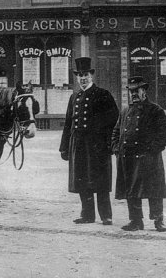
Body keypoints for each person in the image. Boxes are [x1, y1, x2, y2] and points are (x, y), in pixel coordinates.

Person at [59, 56, 119, 225]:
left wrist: (109, 144)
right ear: (77, 78)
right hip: (78, 145)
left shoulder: (103, 95)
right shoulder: (74, 97)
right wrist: (64, 147)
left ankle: (106, 215)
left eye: (85, 75)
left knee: (100, 181)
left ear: (91, 76)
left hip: (97, 146)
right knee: (82, 179)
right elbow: (68, 124)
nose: (83, 78)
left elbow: (114, 120)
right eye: (80, 75)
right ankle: (87, 215)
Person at [112, 79, 166, 232]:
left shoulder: (155, 110)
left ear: (144, 91)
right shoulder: (125, 111)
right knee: (131, 191)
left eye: (136, 90)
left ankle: (158, 220)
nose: (133, 94)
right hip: (128, 158)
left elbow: (165, 135)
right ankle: (136, 221)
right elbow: (115, 132)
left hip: (149, 159)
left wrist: (152, 150)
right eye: (131, 91)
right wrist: (116, 148)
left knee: (154, 190)